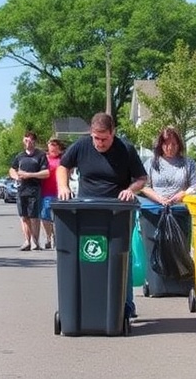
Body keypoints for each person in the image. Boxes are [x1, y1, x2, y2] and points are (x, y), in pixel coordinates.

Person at [57, 112, 147, 319]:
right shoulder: (82, 146)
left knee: (121, 256)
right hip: (87, 210)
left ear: (113, 133)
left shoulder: (126, 149)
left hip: (118, 211)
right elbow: (63, 165)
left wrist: (131, 190)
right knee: (89, 255)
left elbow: (142, 178)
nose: (99, 143)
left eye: (104, 139)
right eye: (96, 138)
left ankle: (125, 304)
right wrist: (62, 186)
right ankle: (91, 300)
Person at [8, 131, 48, 251]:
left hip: (34, 189)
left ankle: (35, 241)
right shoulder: (20, 156)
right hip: (22, 189)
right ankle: (27, 241)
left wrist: (29, 175)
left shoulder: (40, 155)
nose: (28, 143)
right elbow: (12, 169)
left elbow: (46, 173)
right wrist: (16, 176)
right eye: (26, 140)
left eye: (30, 140)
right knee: (24, 216)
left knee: (34, 217)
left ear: (34, 141)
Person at [140, 126, 196, 206]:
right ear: (160, 145)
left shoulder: (189, 163)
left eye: (174, 144)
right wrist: (159, 198)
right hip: (155, 211)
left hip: (180, 211)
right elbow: (144, 186)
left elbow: (195, 185)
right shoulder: (150, 163)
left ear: (179, 145)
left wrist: (184, 193)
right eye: (166, 144)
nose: (170, 148)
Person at [38, 137, 65, 250]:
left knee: (59, 216)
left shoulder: (63, 159)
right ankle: (49, 237)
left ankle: (57, 237)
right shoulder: (44, 159)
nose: (53, 147)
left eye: (55, 145)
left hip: (60, 191)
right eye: (51, 145)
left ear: (59, 148)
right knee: (45, 215)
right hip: (46, 191)